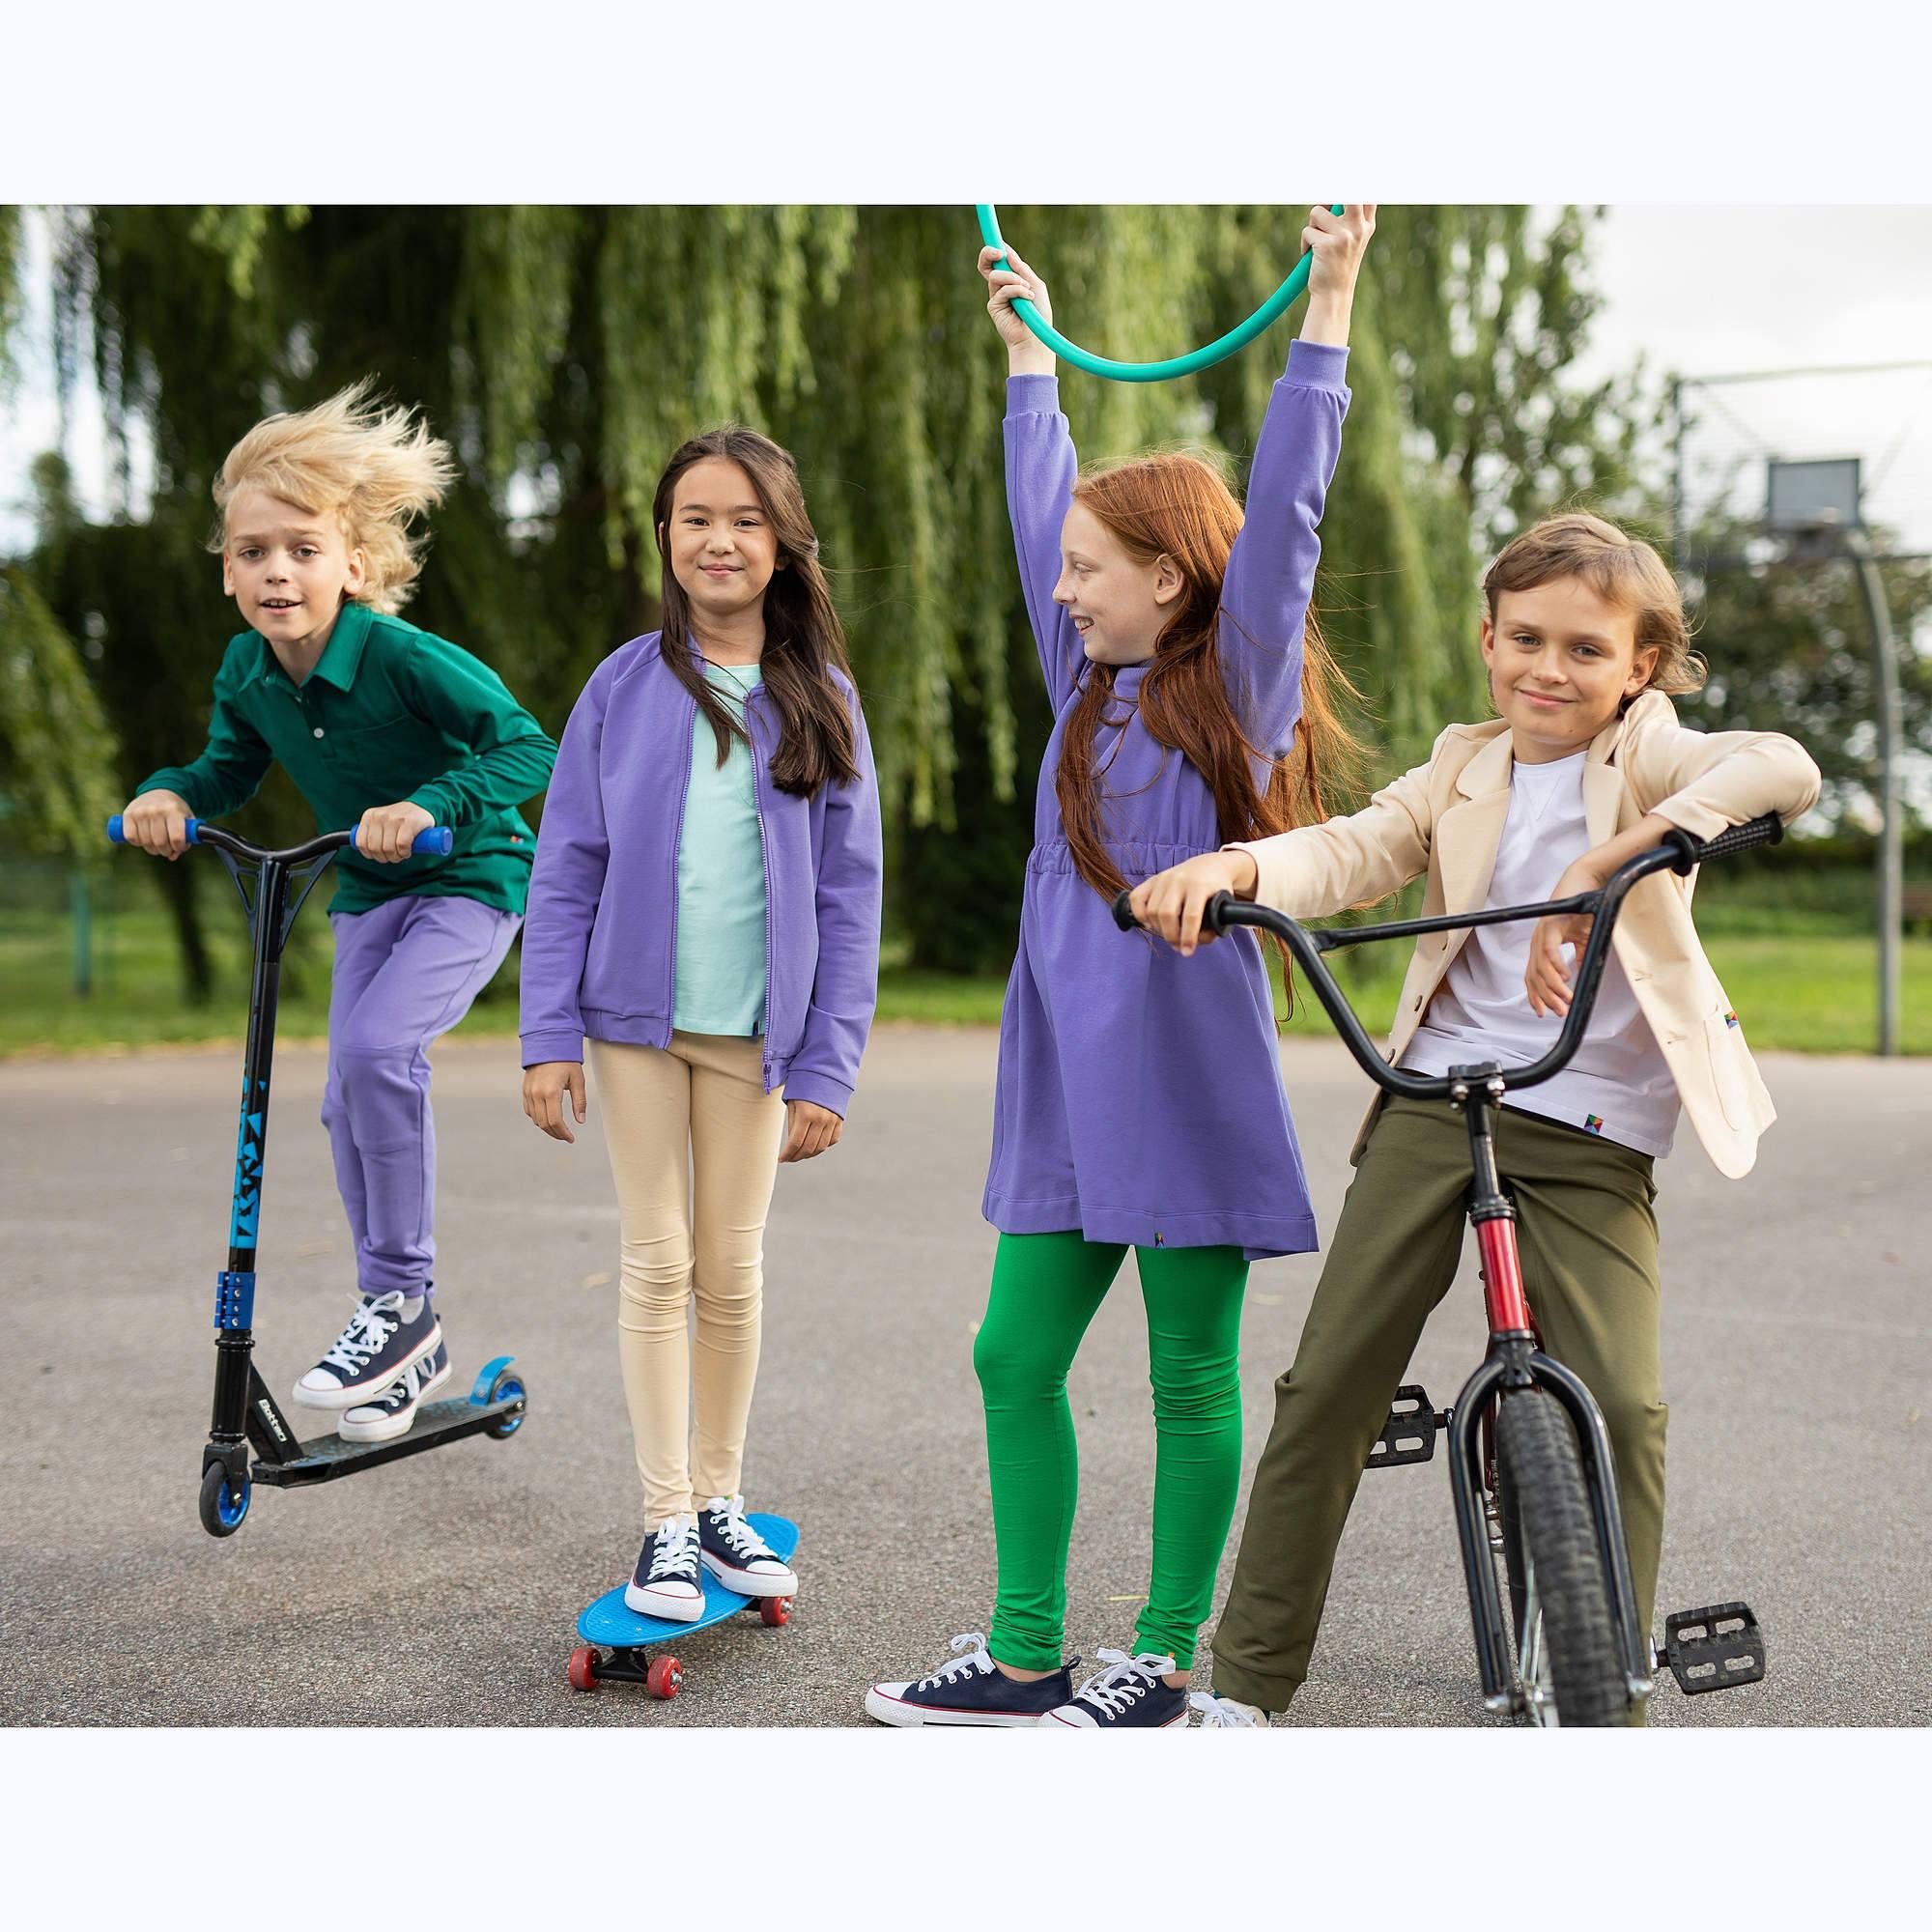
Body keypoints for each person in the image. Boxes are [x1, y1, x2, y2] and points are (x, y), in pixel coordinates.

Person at [1131, 511, 1823, 1726]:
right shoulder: (1460, 761)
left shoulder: (1649, 750)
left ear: (1637, 667)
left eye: (1583, 649)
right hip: (1437, 1091)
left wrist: (1608, 859)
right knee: (1329, 1383)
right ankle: (1241, 1682)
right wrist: (1238, 868)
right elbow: (1355, 849)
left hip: (1590, 1110)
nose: (1546, 671)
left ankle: (1596, 1670)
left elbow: (1778, 766)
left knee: (1619, 1397)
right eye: (1522, 639)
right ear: (1486, 638)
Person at [865, 209, 1376, 1729]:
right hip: (1070, 1086)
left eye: (1099, 570)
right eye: (1070, 572)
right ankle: (1028, 1655)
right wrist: (1030, 360)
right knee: (1011, 1353)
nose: (1069, 588)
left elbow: (1281, 518)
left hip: (1186, 1068)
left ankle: (1152, 1660)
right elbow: (1038, 520)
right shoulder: (1082, 689)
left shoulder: (1240, 688)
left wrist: (1330, 302)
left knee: (1188, 1377)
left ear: (1171, 578)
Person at [120, 383, 556, 1443]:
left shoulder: (403, 656)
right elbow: (228, 765)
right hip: (366, 890)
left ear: (351, 564)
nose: (277, 571)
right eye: (253, 551)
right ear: (226, 569)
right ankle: (405, 1340)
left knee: (374, 1050)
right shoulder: (248, 669)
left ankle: (400, 1303)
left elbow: (529, 743)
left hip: (471, 875)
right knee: (340, 1096)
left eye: (302, 549)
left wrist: (428, 803)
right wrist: (172, 792)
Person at [520, 427, 883, 1620]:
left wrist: (828, 1059)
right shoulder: (622, 686)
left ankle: (721, 1501)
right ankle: (663, 1519)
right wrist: (543, 1035)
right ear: (664, 536)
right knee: (657, 1258)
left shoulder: (820, 699)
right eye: (693, 517)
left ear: (781, 544)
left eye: (742, 519)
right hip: (629, 1026)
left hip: (757, 1040)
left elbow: (849, 889)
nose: (717, 539)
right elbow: (566, 860)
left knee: (730, 1268)